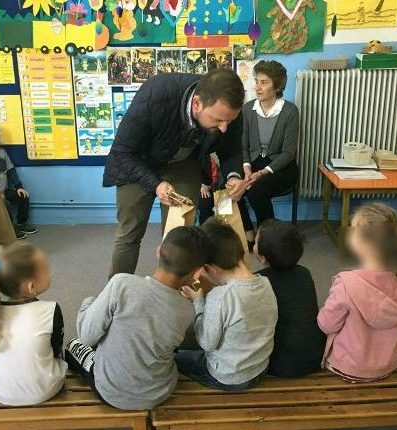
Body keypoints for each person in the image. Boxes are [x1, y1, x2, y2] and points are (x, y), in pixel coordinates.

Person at [103, 69, 248, 277]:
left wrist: (234, 176)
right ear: (197, 103)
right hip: (138, 163)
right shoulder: (155, 94)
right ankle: (116, 290)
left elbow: (231, 149)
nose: (224, 128)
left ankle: (172, 290)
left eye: (229, 121)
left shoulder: (228, 109)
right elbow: (122, 152)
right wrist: (156, 184)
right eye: (218, 121)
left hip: (184, 164)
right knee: (130, 232)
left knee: (179, 237)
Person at [65, 227, 208, 409]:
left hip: (111, 392)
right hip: (160, 391)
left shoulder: (121, 283)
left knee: (73, 345)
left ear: (158, 251)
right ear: (197, 272)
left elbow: (86, 337)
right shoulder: (187, 310)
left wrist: (89, 303)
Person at [318, 203, 397, 382]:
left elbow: (326, 325)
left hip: (348, 366)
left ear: (364, 244)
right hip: (388, 366)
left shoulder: (346, 283)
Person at [175, 218, 278, 391]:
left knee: (176, 358)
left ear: (210, 269)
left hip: (229, 377)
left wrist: (199, 301)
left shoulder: (220, 296)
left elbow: (206, 342)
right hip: (260, 368)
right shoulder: (265, 283)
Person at [0, 242, 67, 406]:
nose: (51, 272)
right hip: (45, 391)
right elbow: (56, 350)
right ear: (31, 286)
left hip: (0, 393)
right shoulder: (51, 310)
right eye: (46, 270)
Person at [238, 61, 299, 248]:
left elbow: (288, 153)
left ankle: (268, 239)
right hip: (254, 163)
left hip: (281, 167)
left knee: (257, 191)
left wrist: (262, 173)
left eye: (264, 82)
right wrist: (247, 167)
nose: (258, 87)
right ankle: (248, 231)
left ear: (278, 86)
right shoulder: (248, 109)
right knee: (233, 185)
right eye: (257, 81)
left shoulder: (290, 111)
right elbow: (243, 145)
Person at [254, 220, 325, 377]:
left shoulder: (258, 282)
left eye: (256, 241)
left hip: (282, 364)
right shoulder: (304, 273)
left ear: (262, 258)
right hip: (316, 355)